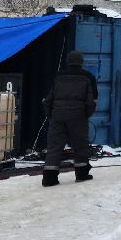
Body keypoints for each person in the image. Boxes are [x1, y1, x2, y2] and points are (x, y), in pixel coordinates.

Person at [42, 50, 98, 186]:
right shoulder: (88, 77)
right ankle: (82, 175)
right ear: (81, 62)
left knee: (54, 147)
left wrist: (51, 115)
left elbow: (48, 99)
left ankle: (49, 179)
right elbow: (93, 100)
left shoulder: (58, 76)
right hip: (78, 117)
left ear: (68, 62)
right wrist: (86, 114)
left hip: (57, 116)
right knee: (80, 145)